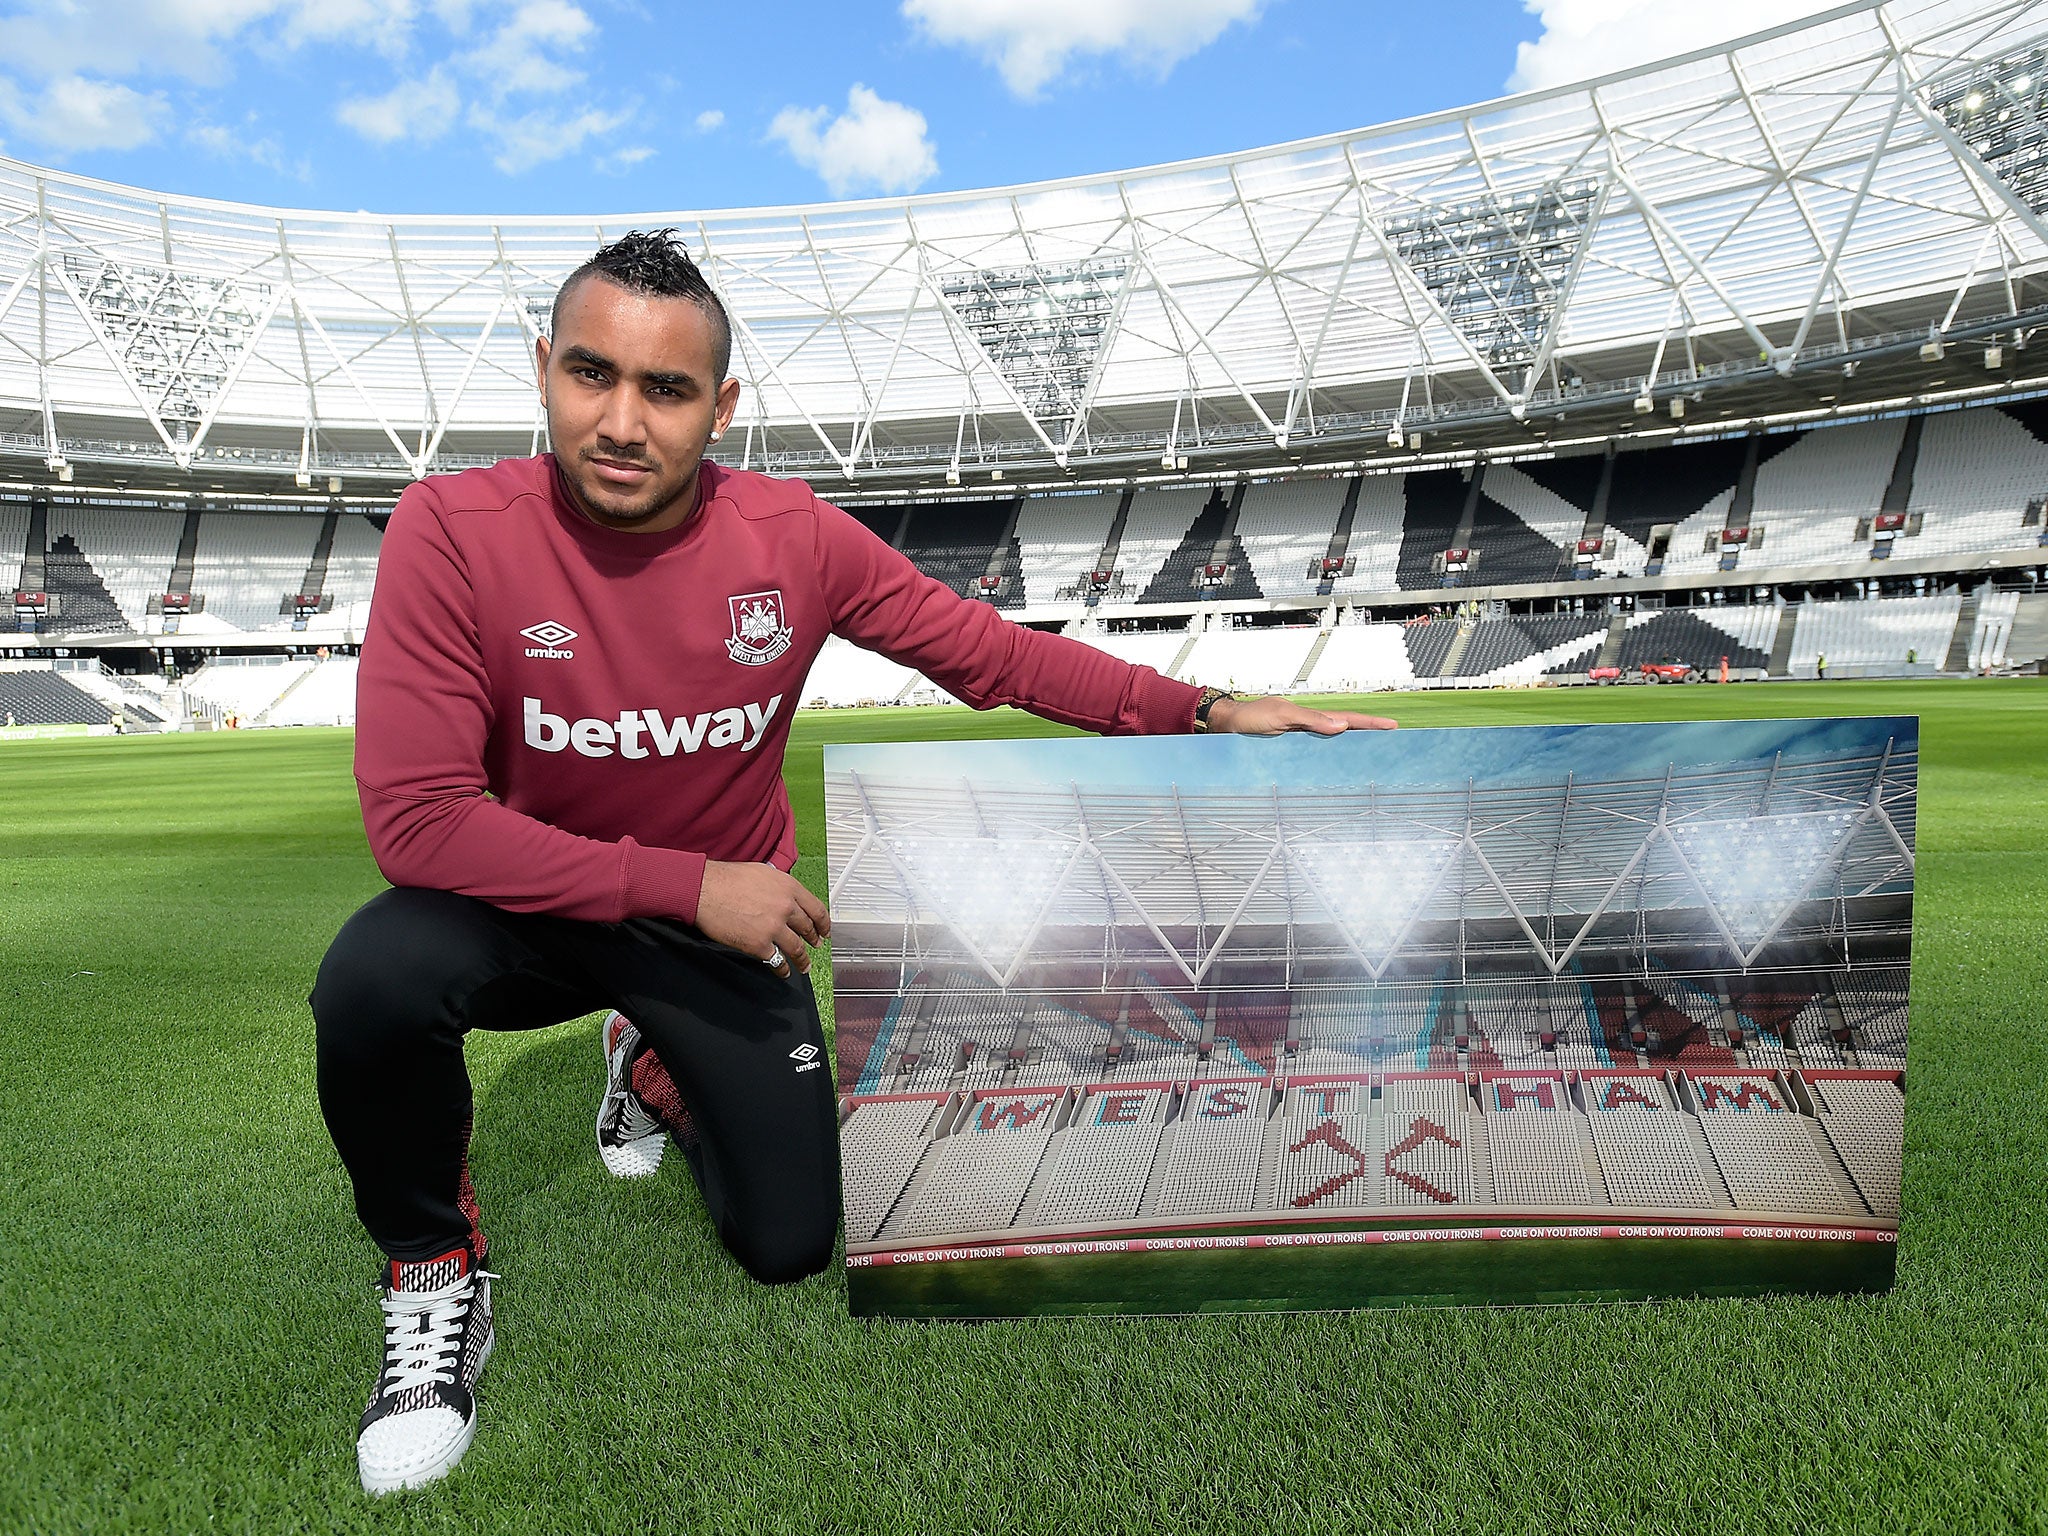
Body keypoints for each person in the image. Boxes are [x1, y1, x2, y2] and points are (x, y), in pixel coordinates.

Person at [310, 229, 1396, 1495]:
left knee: (785, 1242)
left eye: (665, 391)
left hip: (707, 934)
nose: (620, 420)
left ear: (719, 408)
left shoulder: (793, 536)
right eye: (591, 375)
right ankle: (432, 1273)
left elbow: (994, 658)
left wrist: (1202, 710)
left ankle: (644, 1058)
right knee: (374, 976)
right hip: (539, 906)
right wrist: (687, 882)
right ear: (543, 368)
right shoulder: (452, 526)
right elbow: (421, 821)